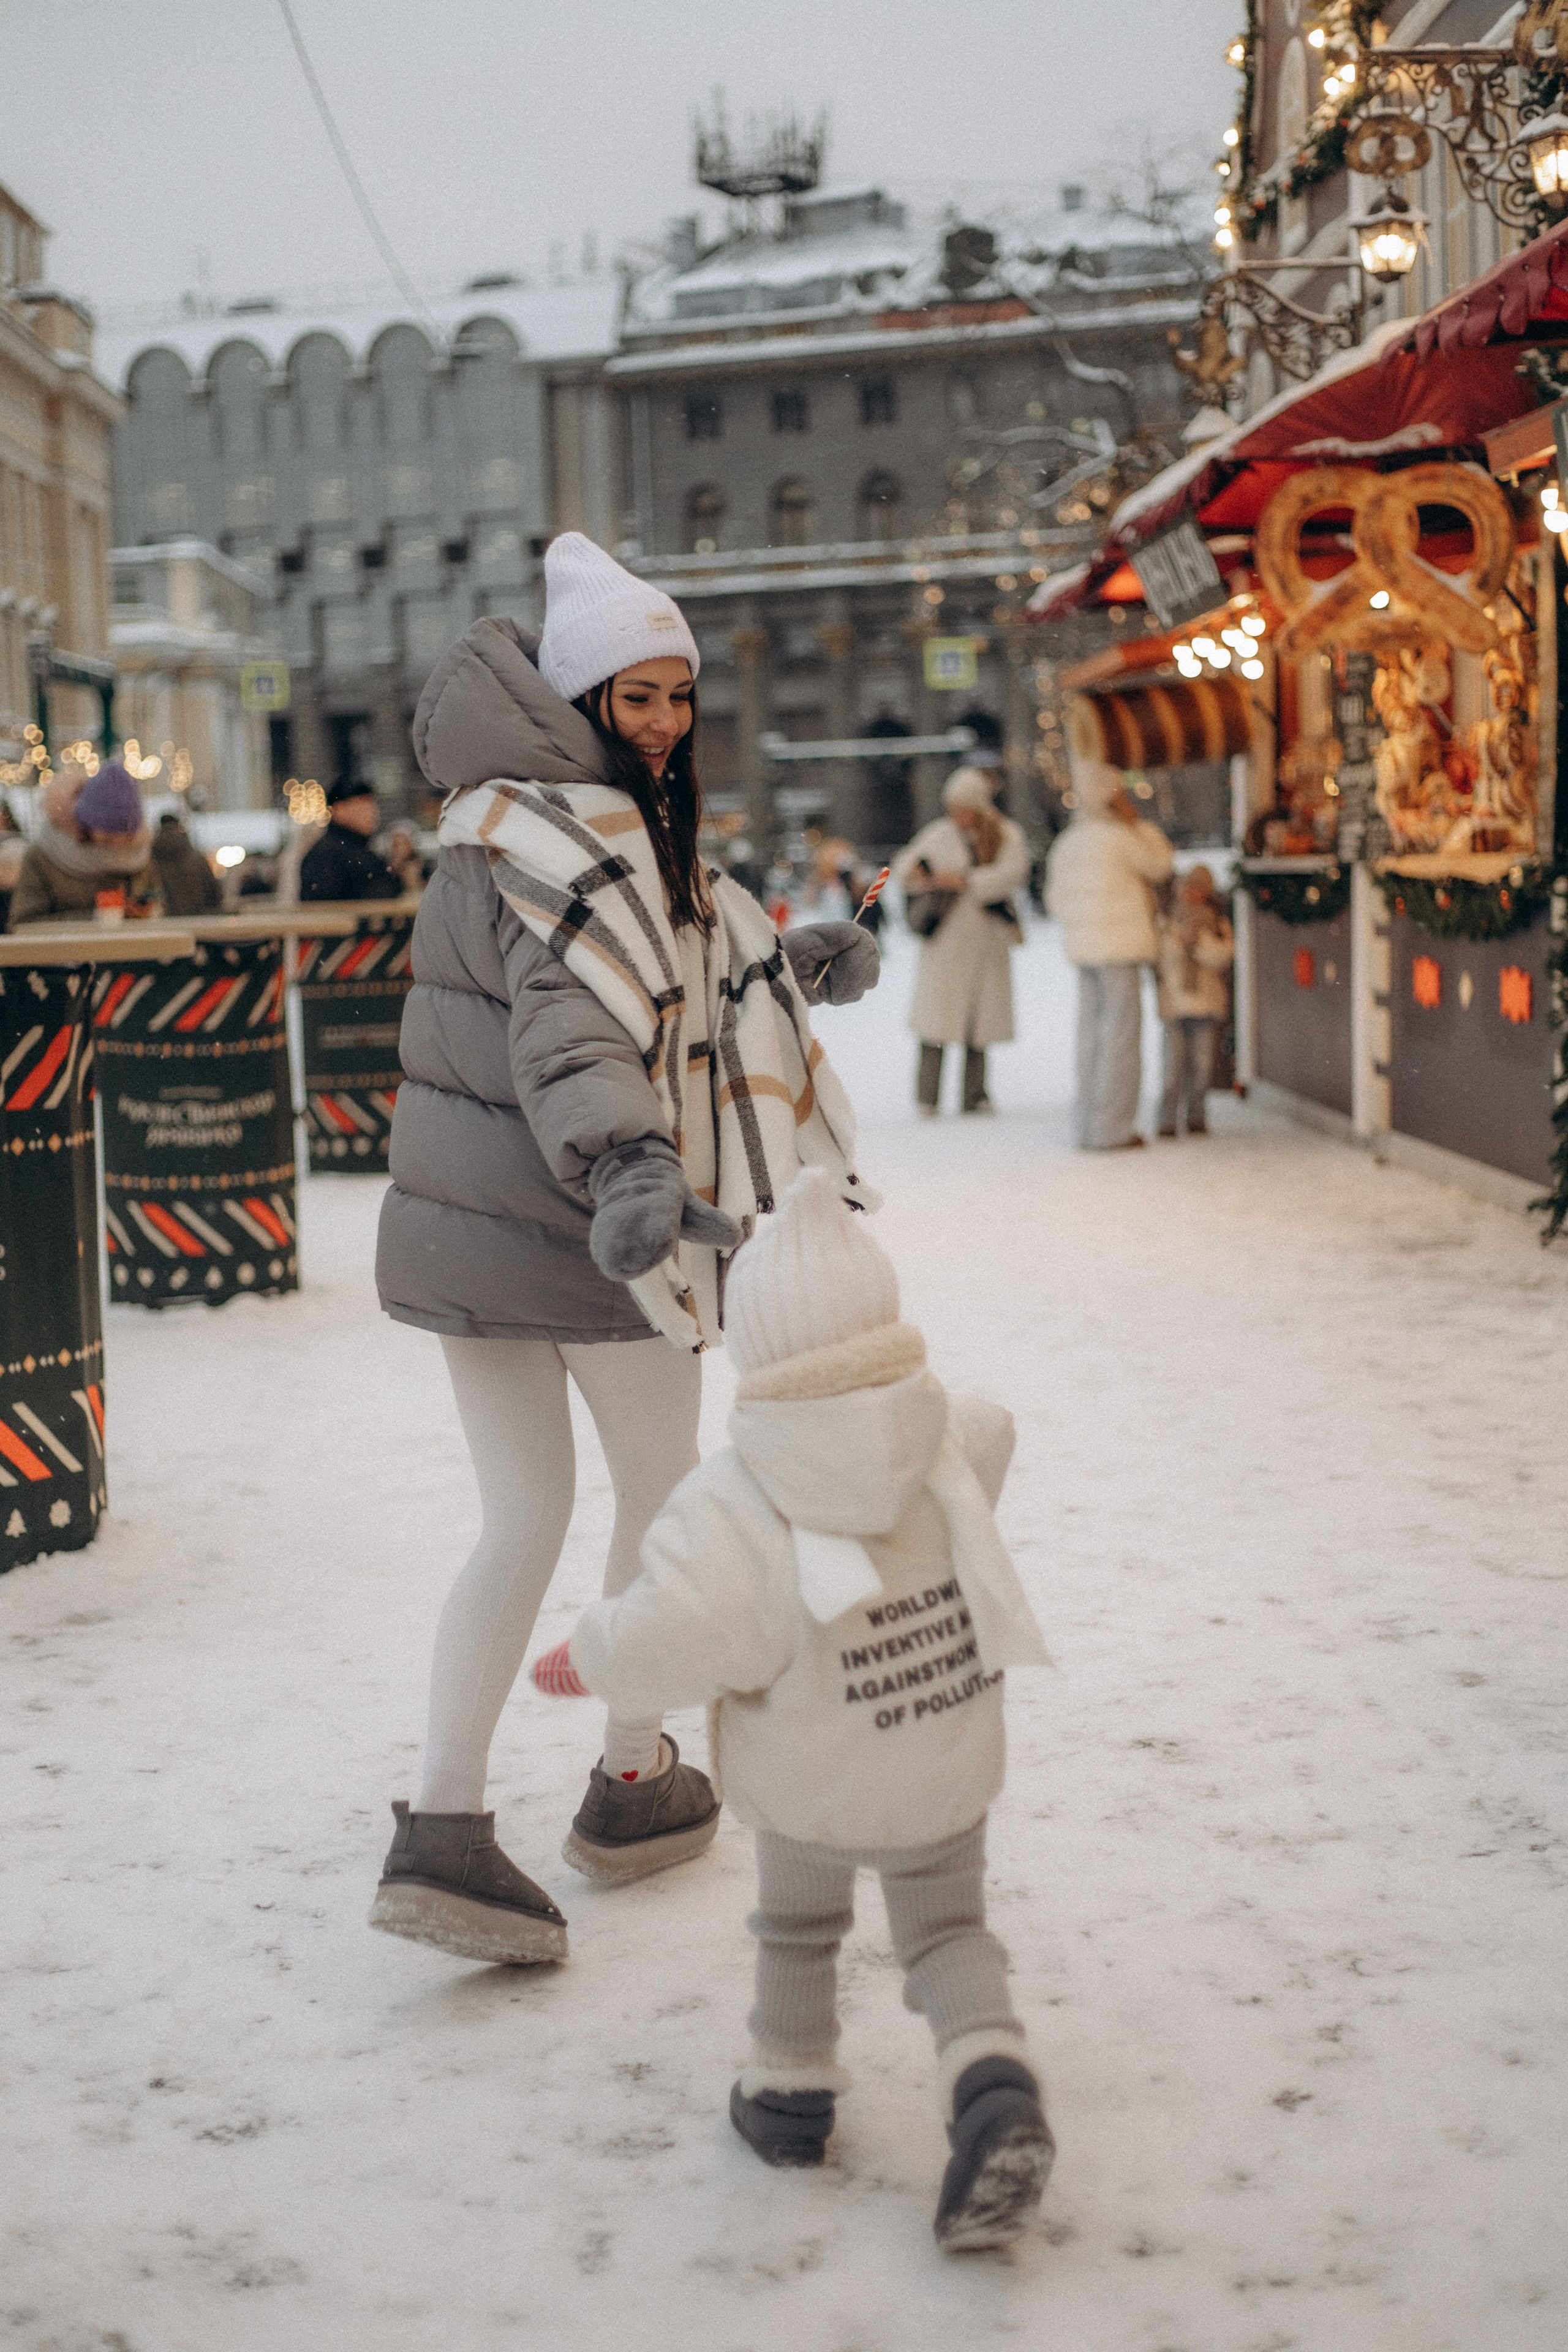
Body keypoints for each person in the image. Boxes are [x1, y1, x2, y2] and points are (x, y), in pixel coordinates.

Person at [369, 532, 879, 1969]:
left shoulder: (507, 819)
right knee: (655, 1503)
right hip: (595, 1223)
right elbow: (571, 1028)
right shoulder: (572, 836)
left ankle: (446, 1819)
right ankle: (633, 1772)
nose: (660, 720)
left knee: (520, 1515)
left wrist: (782, 963)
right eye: (633, 695)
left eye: (676, 694)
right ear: (579, 695)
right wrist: (633, 1162)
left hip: (474, 1232)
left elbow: (656, 973)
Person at [530, 1170, 1055, 2251]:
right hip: (943, 1757)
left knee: (800, 1929)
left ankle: (788, 2093)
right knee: (949, 1934)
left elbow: (678, 1627)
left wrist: (590, 1655)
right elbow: (997, 1431)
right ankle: (993, 2085)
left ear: (759, 1347)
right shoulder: (943, 1435)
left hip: (814, 1778)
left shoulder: (735, 1499)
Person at [1044, 761, 1172, 1152]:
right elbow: (1160, 864)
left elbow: (1053, 900)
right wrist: (1138, 823)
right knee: (1121, 1038)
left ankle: (1087, 1123)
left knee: (1090, 1037)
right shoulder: (1123, 836)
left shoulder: (1067, 842)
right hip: (1121, 948)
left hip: (1084, 951)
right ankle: (1112, 1129)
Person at [891, 767, 1030, 1117]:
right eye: (952, 807)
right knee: (936, 1020)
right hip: (945, 944)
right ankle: (928, 1097)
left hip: (987, 942)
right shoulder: (939, 834)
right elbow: (904, 865)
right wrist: (920, 874)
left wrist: (966, 880)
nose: (956, 815)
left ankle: (975, 1095)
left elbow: (1014, 873)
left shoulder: (1005, 834)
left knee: (979, 1023)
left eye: (962, 808)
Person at [10, 760, 164, 925]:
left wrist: (145, 913)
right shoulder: (43, 858)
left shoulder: (141, 855)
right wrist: (102, 918)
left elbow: (159, 903)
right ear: (86, 827)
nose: (117, 844)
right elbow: (24, 923)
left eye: (126, 837)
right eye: (108, 836)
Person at [1155, 864, 1234, 1138]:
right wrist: (1180, 942)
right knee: (1172, 1067)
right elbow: (1161, 958)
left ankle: (1196, 1116)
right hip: (1175, 1004)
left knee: (1202, 1067)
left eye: (1198, 888)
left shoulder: (1217, 924)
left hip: (1206, 1004)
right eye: (1188, 887)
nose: (1191, 893)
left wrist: (1199, 942)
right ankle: (1167, 1120)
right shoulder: (1167, 921)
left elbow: (1223, 957)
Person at [298, 778, 402, 901]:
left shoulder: (357, 848)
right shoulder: (327, 855)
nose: (373, 814)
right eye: (363, 808)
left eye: (373, 807)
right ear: (339, 810)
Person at [149, 809, 222, 916]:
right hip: (199, 920)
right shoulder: (197, 860)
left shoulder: (151, 862)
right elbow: (215, 895)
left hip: (165, 922)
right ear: (179, 826)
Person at [383, 821, 428, 900]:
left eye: (404, 843)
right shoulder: (386, 869)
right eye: (397, 845)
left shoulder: (424, 867)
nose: (401, 849)